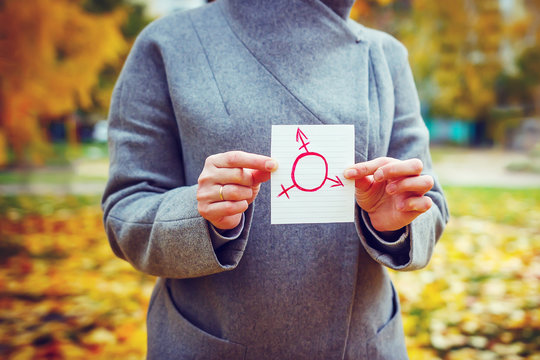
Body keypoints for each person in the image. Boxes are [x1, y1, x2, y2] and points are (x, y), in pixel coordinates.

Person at [101, 0, 449, 358]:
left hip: (364, 345)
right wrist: (197, 215)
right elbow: (125, 211)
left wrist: (394, 223)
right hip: (211, 342)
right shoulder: (168, 43)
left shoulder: (385, 55)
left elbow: (431, 202)